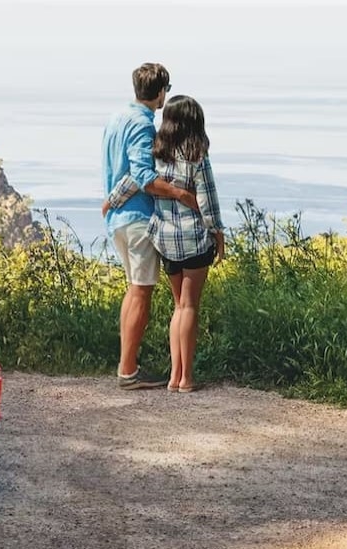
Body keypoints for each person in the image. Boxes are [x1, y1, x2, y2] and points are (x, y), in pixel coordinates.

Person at [103, 95, 225, 392]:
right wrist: (218, 235)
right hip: (193, 239)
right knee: (189, 307)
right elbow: (207, 202)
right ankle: (186, 378)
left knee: (177, 307)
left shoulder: (157, 154)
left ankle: (173, 377)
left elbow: (136, 180)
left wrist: (111, 202)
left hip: (165, 241)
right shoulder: (197, 156)